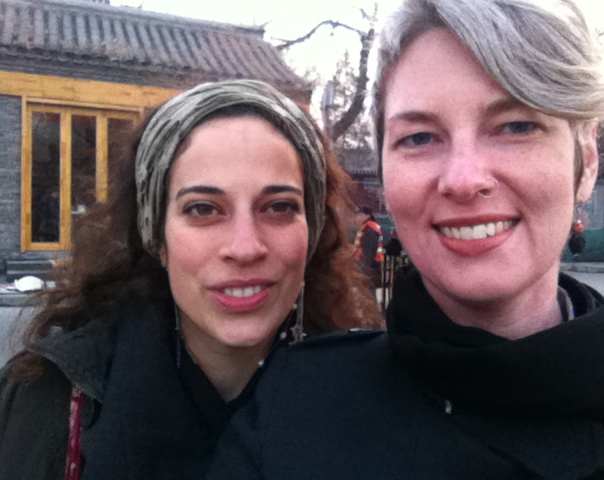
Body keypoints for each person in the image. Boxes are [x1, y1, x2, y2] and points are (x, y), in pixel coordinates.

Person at [206, 1, 604, 478]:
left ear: (587, 161)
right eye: (418, 137)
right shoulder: (293, 411)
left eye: (517, 126)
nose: (463, 179)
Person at [0, 80, 381, 480]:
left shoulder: (370, 401)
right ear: (157, 236)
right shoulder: (49, 402)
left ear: (313, 231)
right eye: (203, 209)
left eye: (279, 207)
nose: (245, 247)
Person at [353, 205, 384, 289]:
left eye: (359, 215)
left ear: (367, 215)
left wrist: (363, 271)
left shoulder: (370, 229)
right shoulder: (368, 227)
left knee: (369, 293)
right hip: (371, 269)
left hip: (370, 270)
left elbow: (369, 253)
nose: (357, 217)